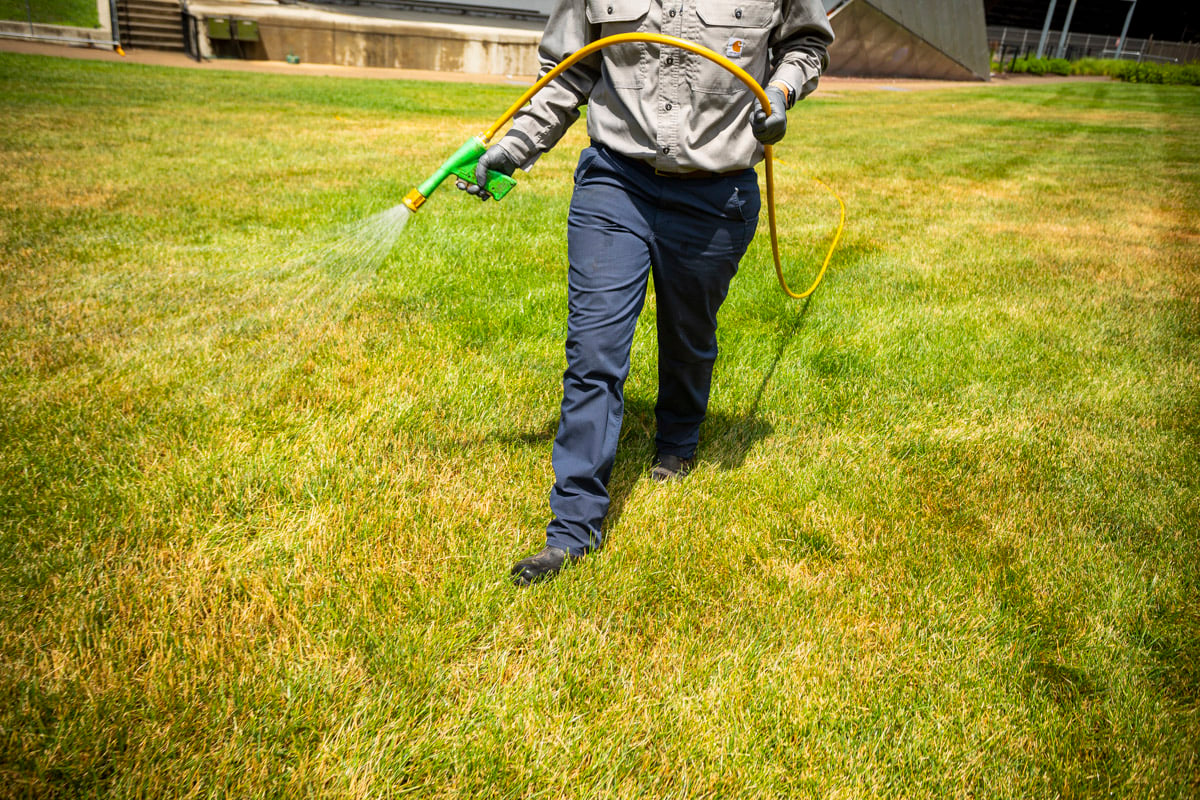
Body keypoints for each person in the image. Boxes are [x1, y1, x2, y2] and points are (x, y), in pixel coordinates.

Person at [462, 0, 834, 585]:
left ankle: (678, 437)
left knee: (689, 334)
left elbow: (806, 46)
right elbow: (569, 70)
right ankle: (573, 528)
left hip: (717, 195)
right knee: (594, 351)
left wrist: (780, 94)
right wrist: (513, 148)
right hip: (616, 181)